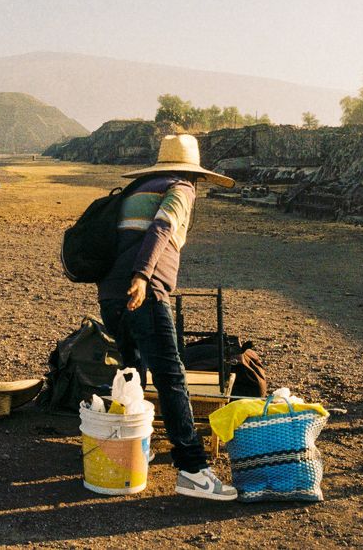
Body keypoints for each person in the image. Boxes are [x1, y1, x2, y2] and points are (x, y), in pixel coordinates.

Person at [97, 134, 238, 501]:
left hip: (110, 294)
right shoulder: (181, 188)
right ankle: (192, 470)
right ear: (193, 173)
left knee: (133, 371)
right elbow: (162, 227)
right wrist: (143, 276)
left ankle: (132, 448)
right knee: (171, 377)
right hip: (142, 292)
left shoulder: (138, 189)